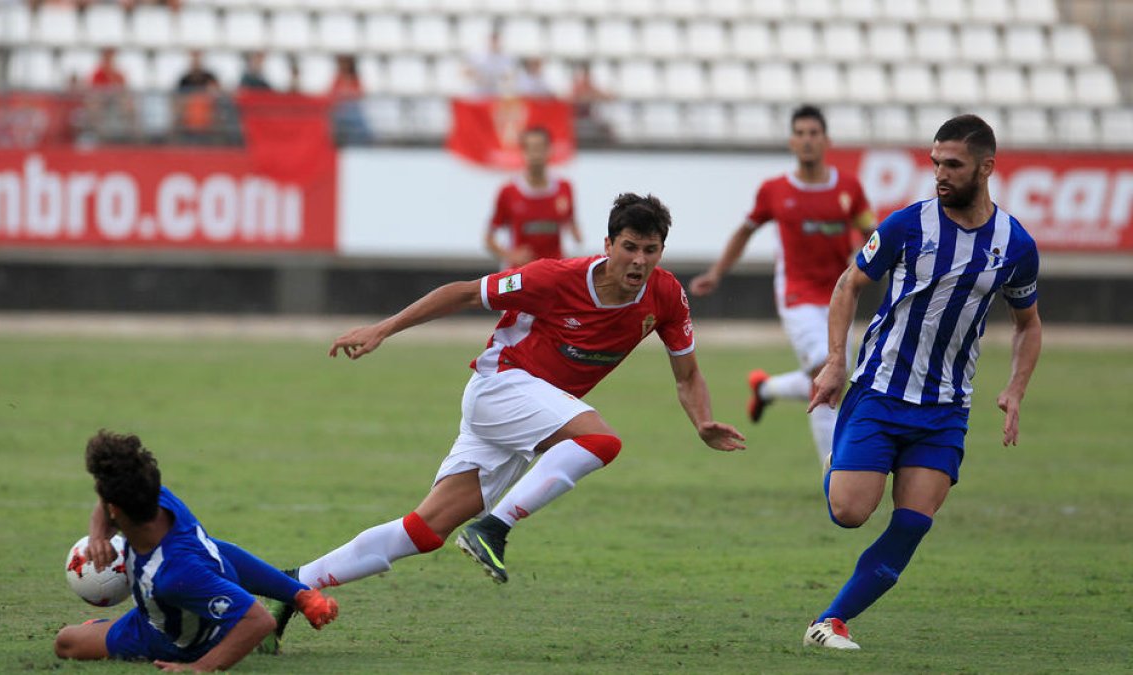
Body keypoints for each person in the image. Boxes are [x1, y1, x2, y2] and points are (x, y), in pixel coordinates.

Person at [265, 193, 746, 647]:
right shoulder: (555, 278)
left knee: (425, 531)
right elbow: (463, 294)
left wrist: (702, 421)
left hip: (529, 416)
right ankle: (492, 528)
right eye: (629, 247)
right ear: (607, 245)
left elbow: (687, 375)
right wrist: (383, 329)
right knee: (602, 441)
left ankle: (291, 586)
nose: (639, 261)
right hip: (501, 387)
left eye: (650, 250)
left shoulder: (666, 296)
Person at [802, 114, 1041, 650]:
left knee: (912, 522)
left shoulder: (1016, 245)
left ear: (986, 168)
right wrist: (836, 360)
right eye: (935, 163)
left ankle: (830, 622)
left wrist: (1015, 389)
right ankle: (839, 465)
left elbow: (1028, 324)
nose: (940, 173)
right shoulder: (907, 226)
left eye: (952, 165)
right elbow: (848, 285)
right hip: (882, 391)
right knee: (849, 512)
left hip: (946, 409)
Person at [54, 431, 338, 670]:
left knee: (65, 641)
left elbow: (259, 620)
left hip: (175, 638)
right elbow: (107, 502)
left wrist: (199, 668)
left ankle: (107, 630)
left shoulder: (171, 575)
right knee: (214, 550)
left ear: (115, 509)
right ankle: (296, 593)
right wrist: (96, 537)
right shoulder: (158, 498)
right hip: (209, 577)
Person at [689, 104, 875, 469]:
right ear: (792, 141)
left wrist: (869, 260)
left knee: (834, 375)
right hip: (797, 295)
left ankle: (765, 389)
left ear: (826, 140)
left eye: (814, 134)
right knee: (827, 369)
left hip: (840, 296)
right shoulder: (775, 191)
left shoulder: (849, 188)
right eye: (800, 134)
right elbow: (745, 231)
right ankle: (832, 468)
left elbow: (872, 234)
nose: (807, 141)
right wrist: (717, 272)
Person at [484, 126, 582, 268]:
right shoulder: (509, 191)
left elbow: (571, 221)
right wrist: (511, 255)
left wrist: (576, 236)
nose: (535, 153)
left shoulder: (564, 188)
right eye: (530, 148)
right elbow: (489, 239)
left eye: (540, 147)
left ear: (549, 150)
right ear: (523, 152)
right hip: (519, 273)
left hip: (554, 270)